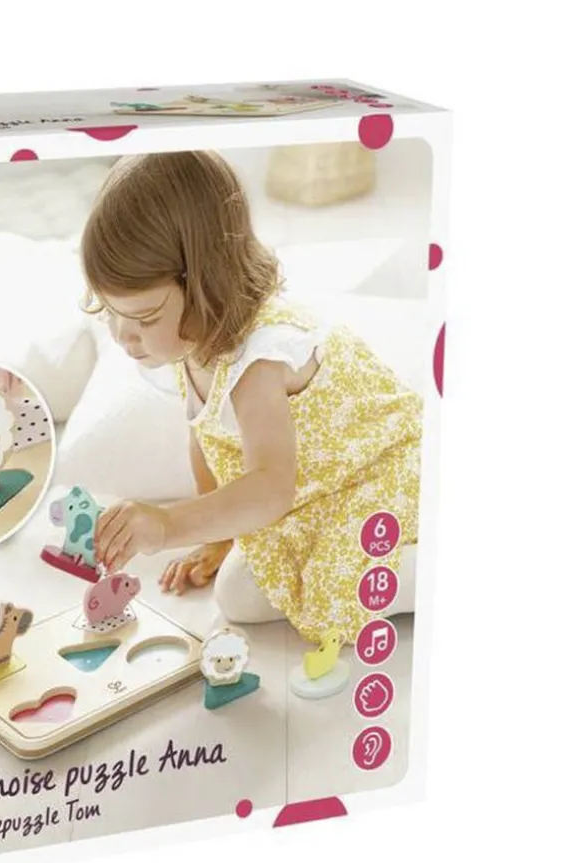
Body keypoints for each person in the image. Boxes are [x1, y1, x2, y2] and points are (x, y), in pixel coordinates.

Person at [81, 150, 420, 646]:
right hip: (314, 488)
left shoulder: (260, 359)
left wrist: (168, 524)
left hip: (379, 468)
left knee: (324, 591)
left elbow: (270, 488)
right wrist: (218, 538)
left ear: (205, 285)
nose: (122, 336)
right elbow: (206, 441)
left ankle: (433, 562)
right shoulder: (189, 341)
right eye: (110, 311)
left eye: (144, 318)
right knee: (238, 594)